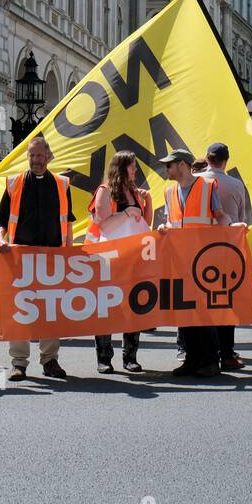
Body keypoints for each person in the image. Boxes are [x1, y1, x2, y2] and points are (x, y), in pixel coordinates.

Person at [0, 135, 75, 383]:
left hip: (52, 256)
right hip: (20, 257)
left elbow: (68, 223)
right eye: (32, 155)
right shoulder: (13, 183)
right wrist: (0, 238)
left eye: (40, 155)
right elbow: (1, 219)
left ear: (48, 157)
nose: (35, 160)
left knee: (50, 310)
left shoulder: (63, 184)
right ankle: (19, 363)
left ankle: (50, 360)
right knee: (21, 309)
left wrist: (69, 253)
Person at [158, 148, 233, 377]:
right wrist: (164, 228)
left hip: (202, 261)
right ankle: (192, 359)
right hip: (179, 260)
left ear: (182, 165)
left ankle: (210, 362)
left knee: (203, 313)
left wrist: (229, 226)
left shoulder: (207, 187)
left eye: (169, 165)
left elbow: (219, 215)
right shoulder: (169, 192)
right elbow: (173, 222)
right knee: (185, 313)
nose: (166, 169)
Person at [89, 151, 152, 373]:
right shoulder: (104, 192)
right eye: (132, 166)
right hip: (110, 258)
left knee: (133, 306)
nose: (135, 170)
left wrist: (148, 202)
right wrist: (127, 213)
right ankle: (104, 358)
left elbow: (144, 225)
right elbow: (103, 225)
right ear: (121, 167)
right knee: (107, 307)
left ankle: (130, 357)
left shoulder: (134, 192)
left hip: (134, 258)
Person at [196, 142, 251, 370]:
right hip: (228, 250)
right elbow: (245, 219)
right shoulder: (237, 185)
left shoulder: (195, 181)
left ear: (207, 159)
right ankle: (226, 353)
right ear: (226, 160)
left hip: (197, 249)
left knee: (201, 303)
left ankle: (202, 353)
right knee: (226, 302)